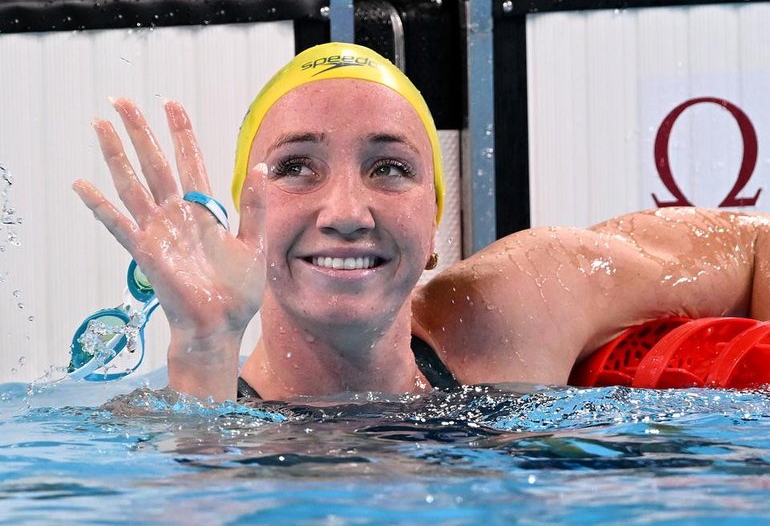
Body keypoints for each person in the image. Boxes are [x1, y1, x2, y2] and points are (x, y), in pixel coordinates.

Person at [73, 42, 770, 402]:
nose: (346, 212)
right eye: (296, 168)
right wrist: (202, 346)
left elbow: (755, 247)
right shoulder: (192, 416)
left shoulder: (525, 302)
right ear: (245, 223)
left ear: (435, 222)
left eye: (389, 168)